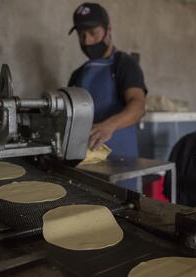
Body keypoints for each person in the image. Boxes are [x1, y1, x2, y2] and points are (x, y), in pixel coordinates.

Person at [68, 2, 147, 191]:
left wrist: (108, 126)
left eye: (93, 33)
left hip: (121, 164)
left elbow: (138, 106)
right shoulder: (77, 74)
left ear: (108, 30)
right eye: (81, 35)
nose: (87, 41)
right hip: (86, 165)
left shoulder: (124, 64)